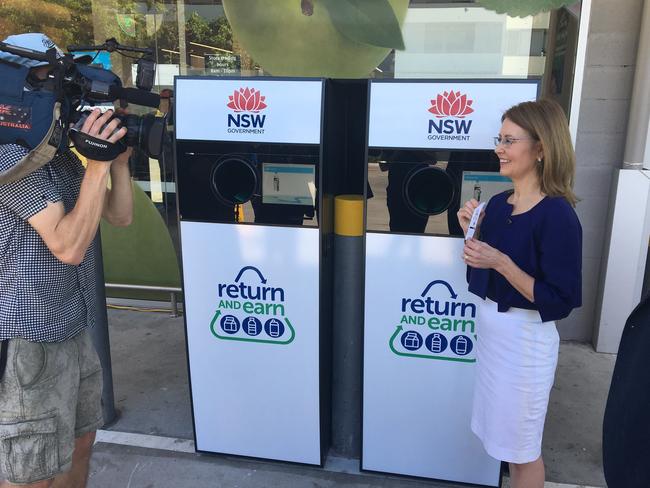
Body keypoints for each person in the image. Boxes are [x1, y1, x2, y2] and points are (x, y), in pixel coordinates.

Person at [0, 33, 133, 488]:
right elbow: (69, 245)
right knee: (31, 469)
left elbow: (119, 217)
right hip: (25, 341)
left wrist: (115, 160)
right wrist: (95, 167)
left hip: (72, 326)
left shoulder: (56, 158)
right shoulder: (8, 158)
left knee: (80, 444)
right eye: (47, 82)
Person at [456, 98, 582, 488]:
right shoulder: (497, 205)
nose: (499, 148)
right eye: (500, 139)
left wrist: (501, 262)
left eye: (509, 140)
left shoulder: (558, 215)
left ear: (541, 148)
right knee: (506, 446)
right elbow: (482, 274)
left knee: (523, 453)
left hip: (526, 346)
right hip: (494, 338)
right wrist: (471, 234)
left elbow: (558, 299)